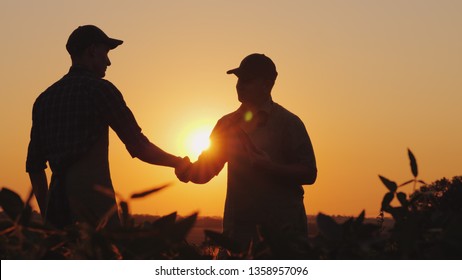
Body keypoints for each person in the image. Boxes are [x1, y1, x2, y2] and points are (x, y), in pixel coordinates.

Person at [26, 25, 188, 229]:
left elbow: (34, 166)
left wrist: (48, 216)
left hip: (58, 208)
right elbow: (139, 147)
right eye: (106, 52)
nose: (109, 61)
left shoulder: (44, 100)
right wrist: (180, 164)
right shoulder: (100, 90)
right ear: (92, 50)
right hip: (95, 209)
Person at [176, 53, 317, 252]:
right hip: (239, 233)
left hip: (283, 234)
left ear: (268, 84)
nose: (240, 85)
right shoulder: (225, 125)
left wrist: (271, 167)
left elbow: (310, 173)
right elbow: (205, 171)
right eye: (239, 79)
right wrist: (184, 170)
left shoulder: (289, 123)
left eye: (247, 80)